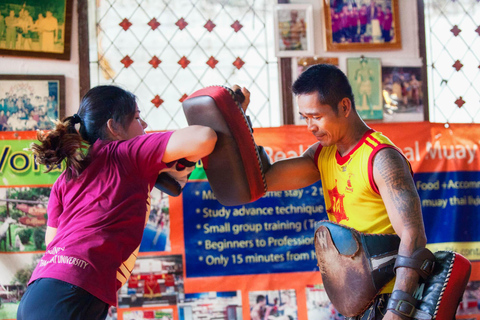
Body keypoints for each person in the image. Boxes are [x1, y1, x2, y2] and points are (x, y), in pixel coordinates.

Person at [243, 64, 428, 319]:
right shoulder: (322, 154)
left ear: (344, 107)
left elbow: (413, 237)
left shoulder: (381, 158)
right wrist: (240, 123)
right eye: (305, 117)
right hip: (355, 302)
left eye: (316, 116)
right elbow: (264, 179)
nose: (310, 126)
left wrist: (397, 311)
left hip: (389, 301)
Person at [16, 85, 217, 320]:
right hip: (73, 295)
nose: (145, 126)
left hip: (38, 292)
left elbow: (53, 241)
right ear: (114, 127)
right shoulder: (127, 152)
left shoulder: (66, 177)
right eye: (137, 118)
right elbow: (205, 137)